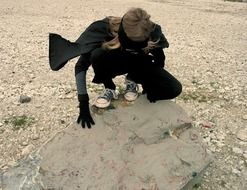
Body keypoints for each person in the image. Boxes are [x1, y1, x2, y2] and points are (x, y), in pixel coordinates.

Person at [49, 7, 182, 129]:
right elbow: (80, 66)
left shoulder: (151, 33)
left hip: (138, 64)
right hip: (114, 61)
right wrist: (83, 103)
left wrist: (150, 88)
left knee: (174, 89)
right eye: (130, 42)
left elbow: (159, 60)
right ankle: (110, 88)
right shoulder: (103, 29)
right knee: (97, 55)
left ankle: (132, 80)